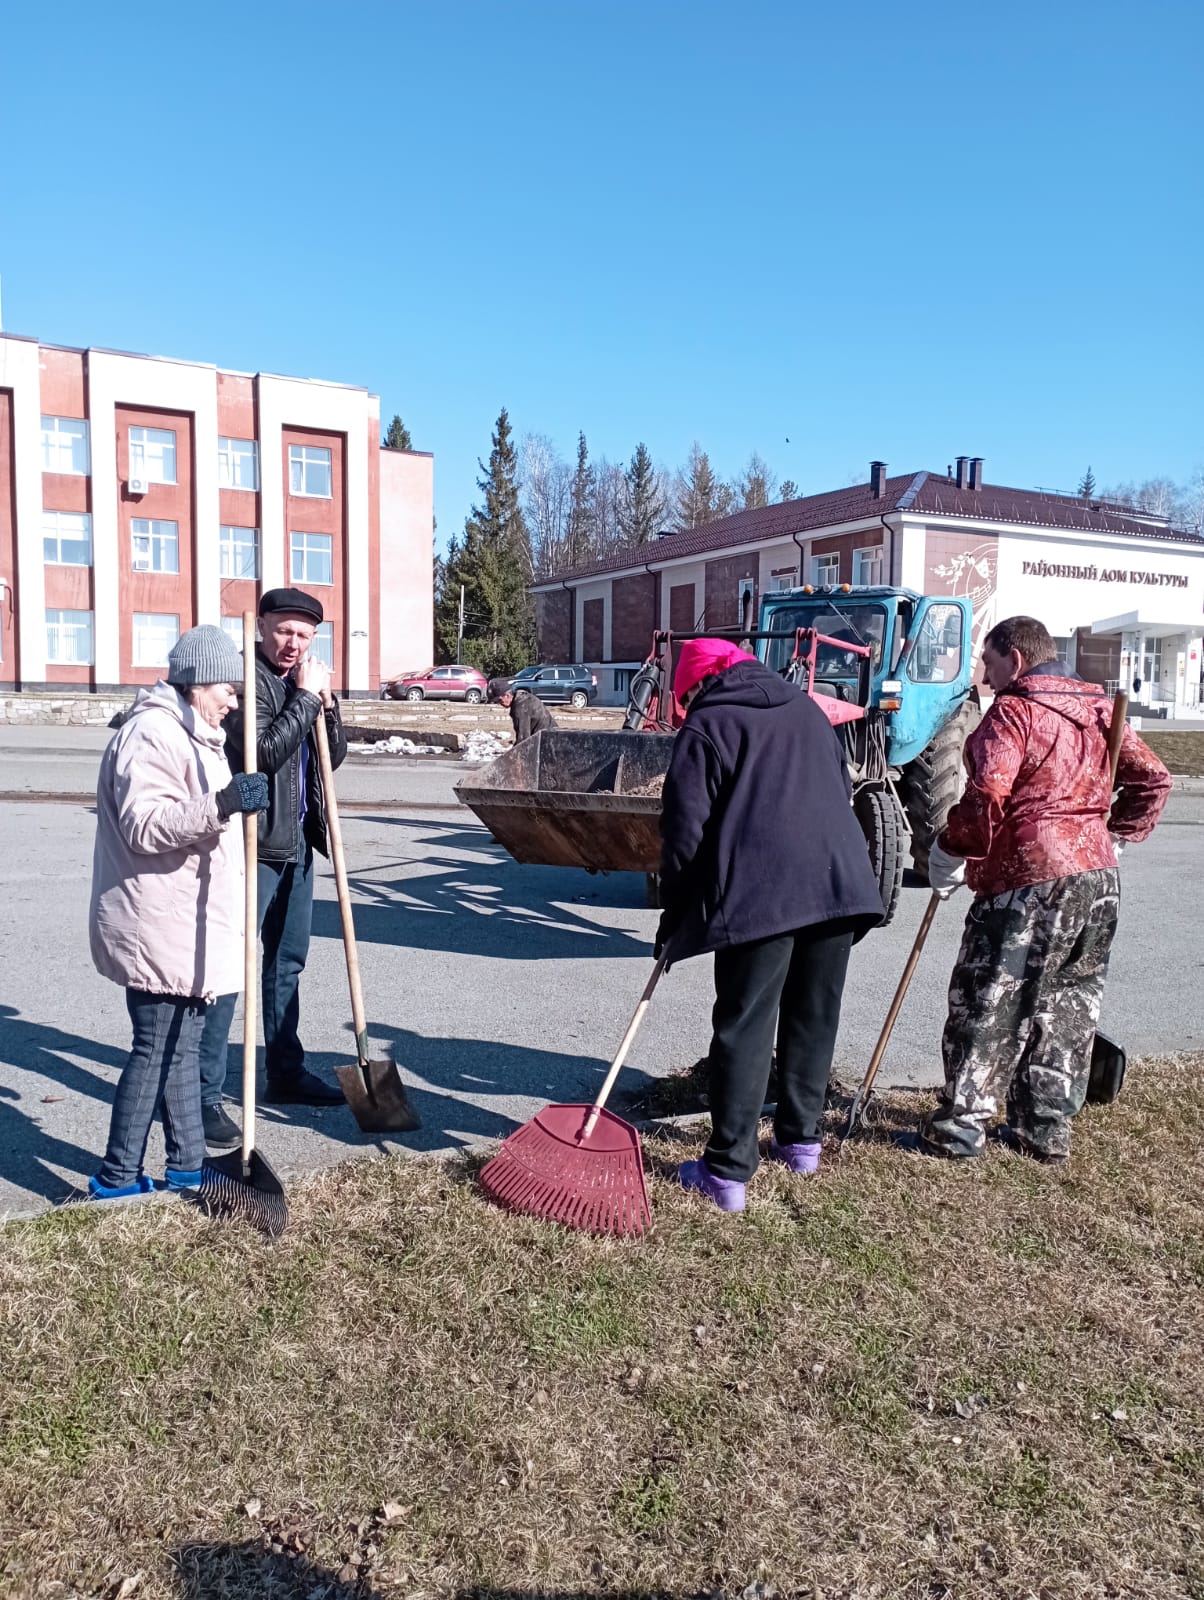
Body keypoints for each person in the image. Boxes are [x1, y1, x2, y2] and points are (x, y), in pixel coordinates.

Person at [922, 615, 1172, 1163]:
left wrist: (952, 846)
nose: (985, 679)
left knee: (989, 998)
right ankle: (1045, 1129)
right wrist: (1117, 835)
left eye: (988, 664)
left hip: (1025, 880)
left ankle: (962, 1127)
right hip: (1097, 879)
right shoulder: (1099, 709)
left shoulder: (1014, 711)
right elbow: (1154, 778)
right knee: (1069, 1002)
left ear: (1015, 658)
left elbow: (987, 790)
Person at [656, 638, 884, 1212]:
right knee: (813, 1014)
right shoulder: (807, 709)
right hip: (839, 884)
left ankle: (728, 1174)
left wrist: (675, 916)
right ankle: (801, 1143)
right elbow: (841, 790)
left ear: (698, 686)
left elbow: (684, 837)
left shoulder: (708, 727)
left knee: (745, 1024)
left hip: (762, 895)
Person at [87, 626, 269, 1200]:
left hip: (186, 922)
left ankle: (188, 1168)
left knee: (183, 1050)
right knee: (156, 1050)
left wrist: (231, 798)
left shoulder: (198, 736)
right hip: (157, 923)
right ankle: (117, 1179)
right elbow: (145, 826)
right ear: (197, 684)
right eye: (229, 689)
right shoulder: (152, 734)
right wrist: (222, 803)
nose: (235, 702)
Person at [197, 588, 348, 1144]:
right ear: (261, 627)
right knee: (230, 968)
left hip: (298, 843)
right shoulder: (247, 683)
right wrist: (305, 700)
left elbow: (331, 758)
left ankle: (285, 1072)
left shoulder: (301, 682)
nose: (293, 643)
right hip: (252, 846)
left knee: (288, 964)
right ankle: (204, 1096)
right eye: (284, 631)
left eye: (305, 635)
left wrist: (327, 709)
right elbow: (260, 752)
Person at [486, 675, 555, 742]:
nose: (499, 703)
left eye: (499, 700)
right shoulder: (523, 698)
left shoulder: (520, 708)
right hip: (551, 736)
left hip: (549, 742)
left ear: (507, 695)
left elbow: (523, 740)